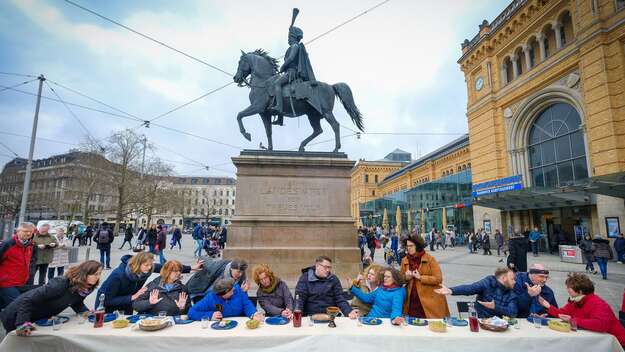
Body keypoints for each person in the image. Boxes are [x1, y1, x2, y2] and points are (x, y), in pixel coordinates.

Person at [0, 260, 102, 336]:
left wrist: (86, 313)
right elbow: (28, 300)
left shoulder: (86, 287)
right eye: (95, 274)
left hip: (38, 318)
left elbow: (76, 302)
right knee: (17, 346)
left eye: (99, 274)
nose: (98, 277)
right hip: (17, 315)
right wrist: (22, 324)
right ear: (84, 273)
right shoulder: (61, 283)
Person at [95, 252, 202, 314]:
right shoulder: (118, 276)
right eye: (146, 265)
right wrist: (133, 297)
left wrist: (191, 268)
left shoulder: (145, 269)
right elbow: (107, 300)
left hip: (129, 301)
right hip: (107, 301)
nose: (150, 267)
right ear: (137, 264)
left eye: (150, 265)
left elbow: (166, 267)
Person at [539, 273, 625, 347]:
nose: (567, 289)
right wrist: (548, 306)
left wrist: (573, 320)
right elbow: (563, 313)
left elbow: (600, 324)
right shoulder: (576, 300)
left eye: (569, 287)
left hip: (617, 343)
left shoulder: (598, 304)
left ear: (580, 291)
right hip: (597, 340)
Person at [436, 267, 518, 318]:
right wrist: (451, 290)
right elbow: (470, 288)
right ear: (504, 278)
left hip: (501, 326)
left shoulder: (511, 293)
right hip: (481, 322)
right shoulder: (488, 282)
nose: (515, 282)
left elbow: (513, 312)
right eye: (512, 279)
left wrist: (495, 307)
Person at [401, 235, 450, 318]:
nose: (408, 248)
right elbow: (400, 279)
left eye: (411, 246)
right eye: (407, 246)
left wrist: (421, 277)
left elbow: (438, 279)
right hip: (411, 301)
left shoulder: (430, 259)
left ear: (418, 246)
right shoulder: (404, 260)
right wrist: (406, 277)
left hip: (429, 301)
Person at [188, 278, 264, 322]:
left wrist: (253, 314)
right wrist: (210, 315)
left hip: (240, 322)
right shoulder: (210, 298)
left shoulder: (237, 289)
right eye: (231, 290)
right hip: (222, 327)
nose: (233, 289)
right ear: (223, 294)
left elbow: (246, 304)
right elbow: (191, 312)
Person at [0, 222, 37, 309]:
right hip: (7, 283)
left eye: (31, 232)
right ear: (18, 231)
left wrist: (30, 273)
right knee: (19, 306)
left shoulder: (31, 245)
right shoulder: (8, 244)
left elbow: (32, 260)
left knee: (7, 305)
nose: (28, 233)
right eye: (25, 231)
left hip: (22, 282)